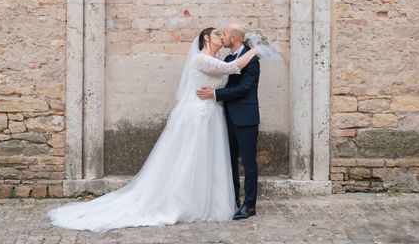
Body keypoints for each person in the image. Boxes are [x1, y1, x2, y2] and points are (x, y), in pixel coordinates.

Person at [48, 27, 261, 232]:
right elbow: (232, 69)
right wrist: (254, 50)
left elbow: (233, 78)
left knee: (209, 160)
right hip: (199, 116)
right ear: (206, 39)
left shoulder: (220, 59)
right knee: (190, 158)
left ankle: (209, 199)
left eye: (223, 34)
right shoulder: (201, 59)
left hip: (214, 115)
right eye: (216, 33)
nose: (221, 36)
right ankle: (183, 201)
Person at [196, 23, 260, 220]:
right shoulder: (228, 58)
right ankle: (234, 200)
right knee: (229, 161)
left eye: (224, 34)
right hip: (226, 117)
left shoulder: (251, 59)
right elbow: (226, 72)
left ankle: (249, 206)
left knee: (248, 163)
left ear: (233, 38)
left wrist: (215, 93)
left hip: (246, 118)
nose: (221, 37)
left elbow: (244, 89)